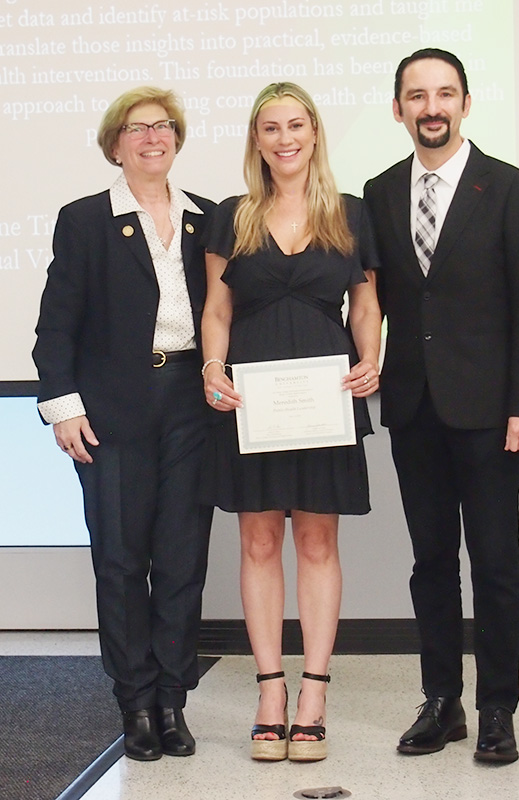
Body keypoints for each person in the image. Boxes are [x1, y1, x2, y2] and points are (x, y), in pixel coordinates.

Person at [363, 49, 519, 764]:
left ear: (466, 104)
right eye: (417, 95)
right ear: (399, 108)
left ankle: (497, 707)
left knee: (497, 564)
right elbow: (372, 297)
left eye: (444, 94)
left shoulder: (508, 186)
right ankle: (441, 702)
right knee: (431, 562)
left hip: (491, 410)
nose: (430, 107)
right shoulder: (379, 192)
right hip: (413, 407)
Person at [200, 82, 381, 763]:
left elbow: (366, 305)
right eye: (270, 128)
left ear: (314, 133)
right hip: (251, 401)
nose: (284, 139)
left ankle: (314, 695)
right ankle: (270, 692)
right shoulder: (233, 216)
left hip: (327, 396)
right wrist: (212, 368)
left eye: (295, 125)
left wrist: (372, 358)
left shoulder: (350, 214)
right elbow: (216, 312)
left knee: (316, 545)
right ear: (256, 139)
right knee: (255, 544)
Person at [32, 87, 215, 762]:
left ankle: (172, 699)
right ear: (116, 144)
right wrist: (64, 407)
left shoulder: (209, 218)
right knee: (119, 558)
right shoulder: (85, 221)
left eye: (163, 127)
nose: (152, 138)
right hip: (111, 412)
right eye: (136, 129)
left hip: (190, 406)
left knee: (181, 559)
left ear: (177, 138)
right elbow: (56, 327)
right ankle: (134, 701)